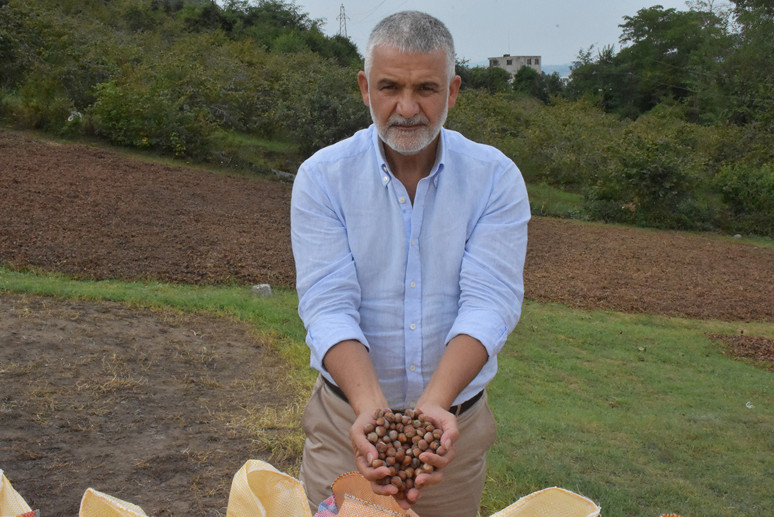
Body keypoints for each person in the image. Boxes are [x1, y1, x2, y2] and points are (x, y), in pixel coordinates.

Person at [290, 10, 530, 517]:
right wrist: (371, 409)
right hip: (343, 427)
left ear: (453, 91)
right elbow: (327, 303)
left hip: (451, 438)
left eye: (425, 88)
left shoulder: (495, 179)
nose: (406, 108)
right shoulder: (323, 177)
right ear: (364, 88)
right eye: (389, 87)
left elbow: (490, 302)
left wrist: (434, 405)